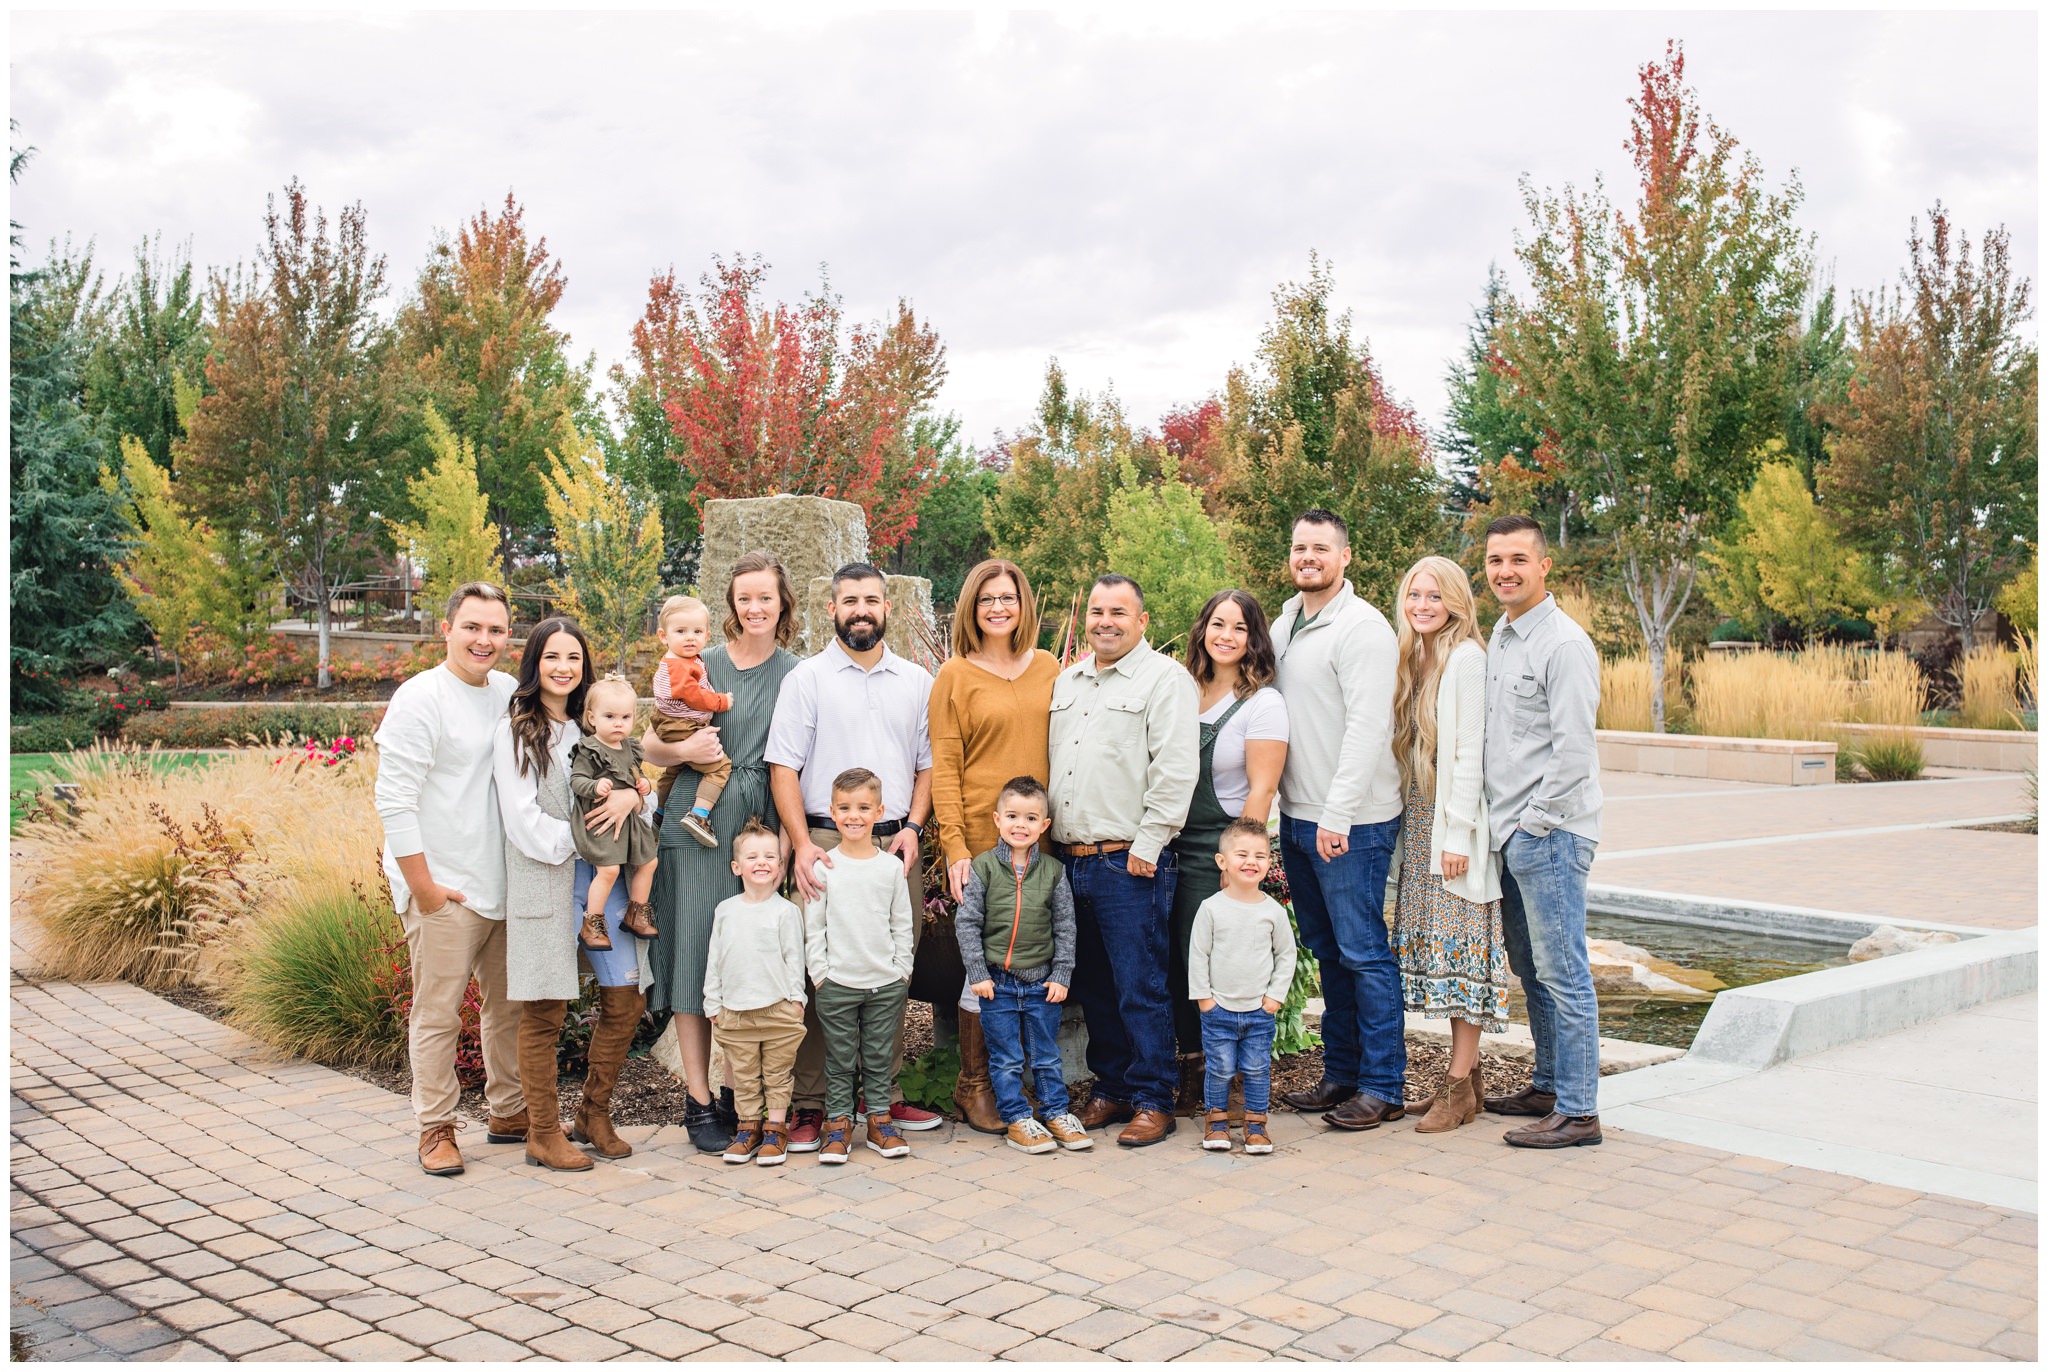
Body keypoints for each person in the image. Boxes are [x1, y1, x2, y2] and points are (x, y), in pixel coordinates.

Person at [767, 563, 939, 1151]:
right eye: (849, 600)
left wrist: (915, 826)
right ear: (832, 609)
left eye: (871, 599)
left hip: (895, 845)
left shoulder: (917, 680)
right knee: (822, 972)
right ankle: (814, 1104)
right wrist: (803, 843)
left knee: (892, 968)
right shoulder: (808, 679)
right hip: (826, 843)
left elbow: (927, 764)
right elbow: (783, 766)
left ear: (886, 607)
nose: (860, 609)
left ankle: (881, 1098)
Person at [643, 551, 801, 1154]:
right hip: (698, 819)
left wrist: (790, 839)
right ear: (731, 606)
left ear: (782, 602)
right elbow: (650, 746)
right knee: (694, 953)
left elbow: (801, 764)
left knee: (746, 956)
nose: (755, 607)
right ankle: (699, 1099)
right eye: (744, 598)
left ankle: (742, 1096)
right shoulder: (697, 662)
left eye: (766, 596)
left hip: (762, 826)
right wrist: (686, 753)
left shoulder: (797, 671)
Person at [373, 582, 523, 1177]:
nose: (484, 640)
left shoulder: (510, 692)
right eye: (472, 628)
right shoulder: (419, 699)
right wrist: (424, 887)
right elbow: (394, 800)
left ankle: (508, 1111)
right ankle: (435, 1127)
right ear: (447, 630)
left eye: (495, 630)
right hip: (445, 888)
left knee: (507, 1008)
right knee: (438, 1014)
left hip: (503, 881)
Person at [493, 617, 651, 1172]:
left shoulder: (601, 728)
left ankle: (593, 1114)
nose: (564, 668)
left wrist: (634, 798)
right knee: (545, 1009)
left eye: (574, 658)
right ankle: (541, 1133)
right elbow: (522, 821)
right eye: (552, 656)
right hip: (550, 877)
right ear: (534, 662)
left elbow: (638, 798)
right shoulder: (519, 731)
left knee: (626, 999)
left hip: (606, 886)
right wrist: (589, 841)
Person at [1269, 510, 1409, 1133]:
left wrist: (1337, 816)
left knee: (1363, 953)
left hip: (1349, 824)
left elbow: (1367, 730)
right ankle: (1343, 1073)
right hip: (1298, 816)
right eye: (1300, 548)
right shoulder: (1286, 622)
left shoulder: (1364, 628)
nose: (1308, 557)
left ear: (1345, 557)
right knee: (1328, 951)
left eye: (1320, 548)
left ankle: (1384, 1084)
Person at [1048, 574, 1199, 1147]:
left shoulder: (1165, 681)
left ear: (1141, 622)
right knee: (1095, 986)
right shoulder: (1068, 682)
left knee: (1141, 985)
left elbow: (1176, 768)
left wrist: (1149, 844)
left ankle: (1155, 1099)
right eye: (1096, 611)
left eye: (1118, 612)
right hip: (1069, 860)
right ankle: (1111, 1088)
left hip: (1128, 862)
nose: (1104, 621)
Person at [1479, 515, 1606, 1148]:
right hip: (1511, 834)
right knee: (1531, 969)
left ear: (1544, 566)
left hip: (1548, 835)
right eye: (1496, 559)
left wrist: (1534, 826)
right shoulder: (1502, 636)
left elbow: (1574, 750)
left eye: (1518, 560)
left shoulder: (1563, 643)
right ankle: (1550, 1083)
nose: (1505, 571)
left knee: (1564, 971)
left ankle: (1580, 1112)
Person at [928, 557, 1061, 1134]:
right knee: (981, 966)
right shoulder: (955, 675)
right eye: (987, 599)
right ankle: (973, 1083)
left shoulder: (1052, 668)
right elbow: (946, 769)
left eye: (1008, 597)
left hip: (1042, 843)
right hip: (984, 844)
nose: (998, 607)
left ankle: (1016, 1078)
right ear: (971, 609)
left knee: (1030, 958)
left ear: (1024, 604)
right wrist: (956, 847)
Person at [1387, 556, 1511, 1135]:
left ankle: (1457, 1087)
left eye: (1434, 596)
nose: (1423, 605)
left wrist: (1458, 835)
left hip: (1451, 828)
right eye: (1415, 595)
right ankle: (1471, 1081)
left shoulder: (1466, 659)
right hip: (1420, 823)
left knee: (1460, 958)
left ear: (1457, 601)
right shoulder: (1415, 655)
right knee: (1437, 954)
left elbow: (1470, 755)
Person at [1170, 588, 1289, 1112]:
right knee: (1176, 964)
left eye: (1239, 628)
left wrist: (1239, 868)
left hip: (1214, 850)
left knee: (1220, 967)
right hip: (1165, 843)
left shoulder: (1261, 702)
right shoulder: (1179, 689)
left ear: (1253, 638)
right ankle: (1191, 1069)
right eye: (1218, 623)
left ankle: (1233, 1083)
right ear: (1202, 628)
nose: (1226, 635)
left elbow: (1262, 790)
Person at [953, 776, 1090, 1155]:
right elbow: (966, 924)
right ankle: (1017, 1117)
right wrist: (978, 974)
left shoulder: (1052, 871)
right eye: (1012, 815)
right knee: (1007, 1057)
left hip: (1041, 983)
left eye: (1030, 818)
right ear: (997, 819)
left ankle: (1056, 1113)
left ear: (1044, 826)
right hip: (996, 983)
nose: (1020, 825)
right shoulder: (983, 868)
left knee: (1046, 1054)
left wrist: (1062, 975)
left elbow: (1065, 926)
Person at [801, 768, 917, 1164]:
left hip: (885, 982)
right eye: (846, 808)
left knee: (878, 1055)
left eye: (864, 807)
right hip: (838, 983)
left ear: (879, 811)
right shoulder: (824, 867)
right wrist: (821, 975)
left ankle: (880, 1121)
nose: (855, 816)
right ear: (832, 812)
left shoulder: (890, 868)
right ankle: (838, 1123)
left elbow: (902, 924)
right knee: (839, 1059)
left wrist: (902, 971)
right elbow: (813, 928)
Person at [1188, 816, 1296, 1155]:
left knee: (1257, 1069)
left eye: (1260, 856)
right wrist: (1205, 999)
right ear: (1222, 862)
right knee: (1219, 1069)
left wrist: (1274, 998)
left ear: (1269, 862)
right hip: (1218, 1008)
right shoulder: (1211, 909)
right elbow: (1198, 954)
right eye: (1242, 854)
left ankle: (1256, 1126)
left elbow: (1286, 956)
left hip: (1258, 1010)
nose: (1251, 862)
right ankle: (1217, 1124)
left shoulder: (1273, 912)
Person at [705, 819, 809, 1167]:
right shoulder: (726, 910)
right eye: (752, 857)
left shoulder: (786, 911)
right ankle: (747, 1127)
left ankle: (775, 1129)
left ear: (781, 865)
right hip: (735, 1011)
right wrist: (713, 1002)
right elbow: (715, 958)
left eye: (770, 856)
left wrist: (797, 999)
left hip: (778, 1009)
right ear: (737, 867)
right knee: (745, 1075)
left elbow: (795, 958)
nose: (761, 862)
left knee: (778, 1074)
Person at [568, 677, 662, 948]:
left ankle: (637, 911)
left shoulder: (629, 748)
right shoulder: (589, 749)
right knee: (608, 870)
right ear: (592, 717)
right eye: (610, 716)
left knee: (649, 861)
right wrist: (595, 786)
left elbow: (636, 776)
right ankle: (592, 923)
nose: (618, 723)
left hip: (629, 819)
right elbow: (576, 781)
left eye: (625, 716)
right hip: (601, 819)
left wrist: (642, 785)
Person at [650, 594, 733, 848]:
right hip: (683, 726)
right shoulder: (680, 666)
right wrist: (721, 702)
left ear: (707, 636)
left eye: (697, 631)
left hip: (670, 724)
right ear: (664, 636)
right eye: (681, 631)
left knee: (673, 771)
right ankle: (700, 815)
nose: (690, 637)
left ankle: (660, 812)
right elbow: (693, 695)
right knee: (720, 767)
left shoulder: (684, 660)